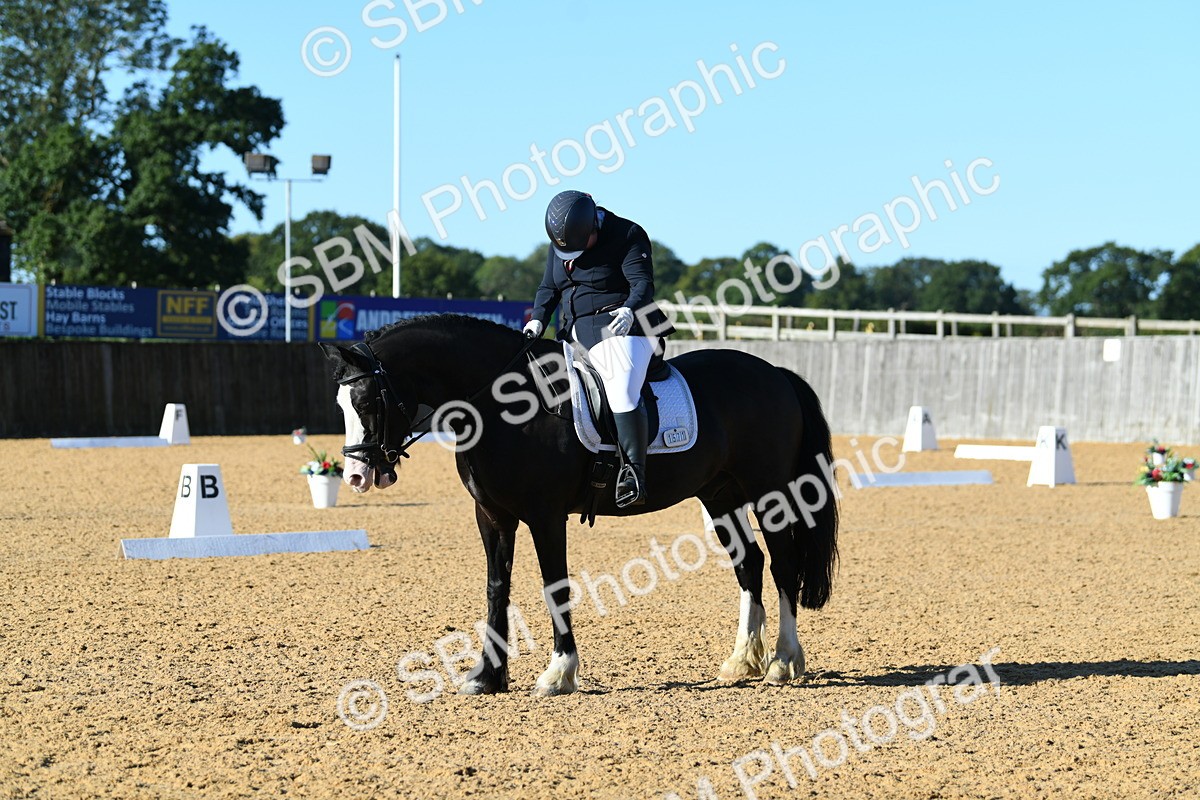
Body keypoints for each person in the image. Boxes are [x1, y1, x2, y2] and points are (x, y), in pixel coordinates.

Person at [523, 190, 672, 508]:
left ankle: (634, 474)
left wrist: (631, 308)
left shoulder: (627, 234)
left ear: (594, 225)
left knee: (620, 388)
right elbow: (549, 287)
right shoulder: (564, 241)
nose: (572, 259)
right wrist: (537, 320)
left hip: (623, 326)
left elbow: (642, 283)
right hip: (572, 333)